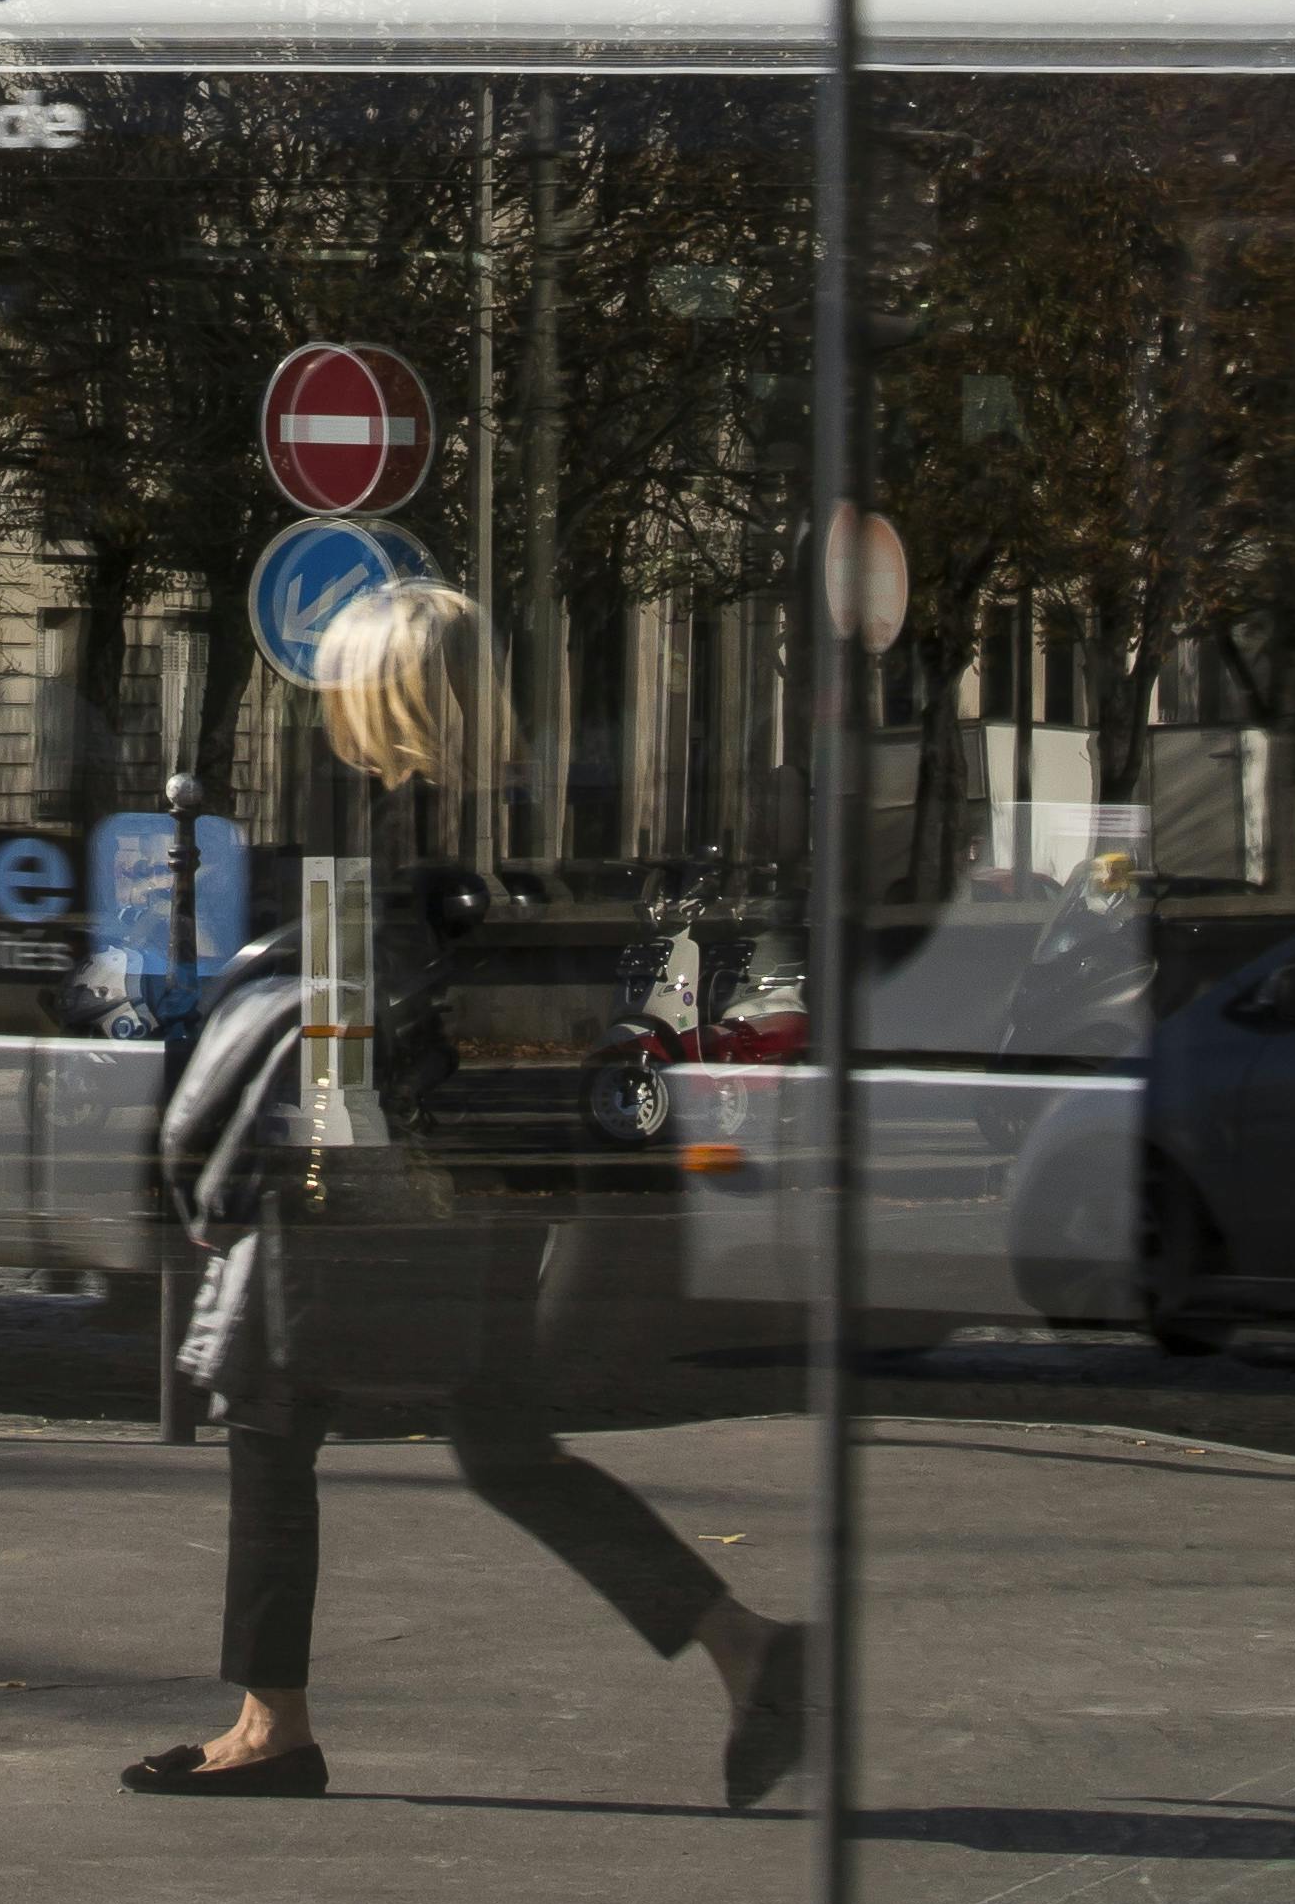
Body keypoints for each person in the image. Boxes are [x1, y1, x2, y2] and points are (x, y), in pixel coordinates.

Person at [122, 577, 805, 1812]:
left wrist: (263, 1160)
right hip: (497, 1182)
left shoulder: (390, 836)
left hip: (388, 1185)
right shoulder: (512, 819)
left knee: (270, 1411)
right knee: (499, 1443)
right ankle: (744, 1644)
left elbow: (347, 1036)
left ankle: (271, 1722)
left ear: (377, 689)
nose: (322, 700)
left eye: (339, 677)